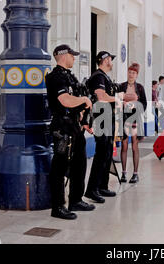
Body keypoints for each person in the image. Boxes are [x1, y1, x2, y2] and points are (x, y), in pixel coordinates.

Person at [45, 44, 95, 220]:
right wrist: (83, 100)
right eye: (72, 55)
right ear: (63, 55)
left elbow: (75, 100)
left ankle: (75, 200)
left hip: (75, 126)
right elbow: (65, 100)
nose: (74, 58)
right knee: (59, 168)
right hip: (62, 127)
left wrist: (83, 118)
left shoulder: (69, 77)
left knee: (79, 164)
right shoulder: (55, 77)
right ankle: (58, 206)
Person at [85, 51, 120, 204]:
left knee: (106, 153)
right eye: (110, 59)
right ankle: (92, 189)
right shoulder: (98, 76)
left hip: (107, 118)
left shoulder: (104, 77)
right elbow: (101, 97)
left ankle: (102, 186)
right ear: (105, 60)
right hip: (101, 118)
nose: (112, 61)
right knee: (101, 155)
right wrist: (119, 99)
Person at [119, 63, 147, 184]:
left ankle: (135, 174)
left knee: (135, 146)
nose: (131, 74)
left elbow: (144, 104)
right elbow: (116, 101)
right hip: (124, 118)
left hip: (135, 118)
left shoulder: (140, 88)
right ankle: (124, 173)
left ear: (137, 75)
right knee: (124, 146)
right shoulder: (121, 86)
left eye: (134, 73)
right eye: (130, 72)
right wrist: (122, 104)